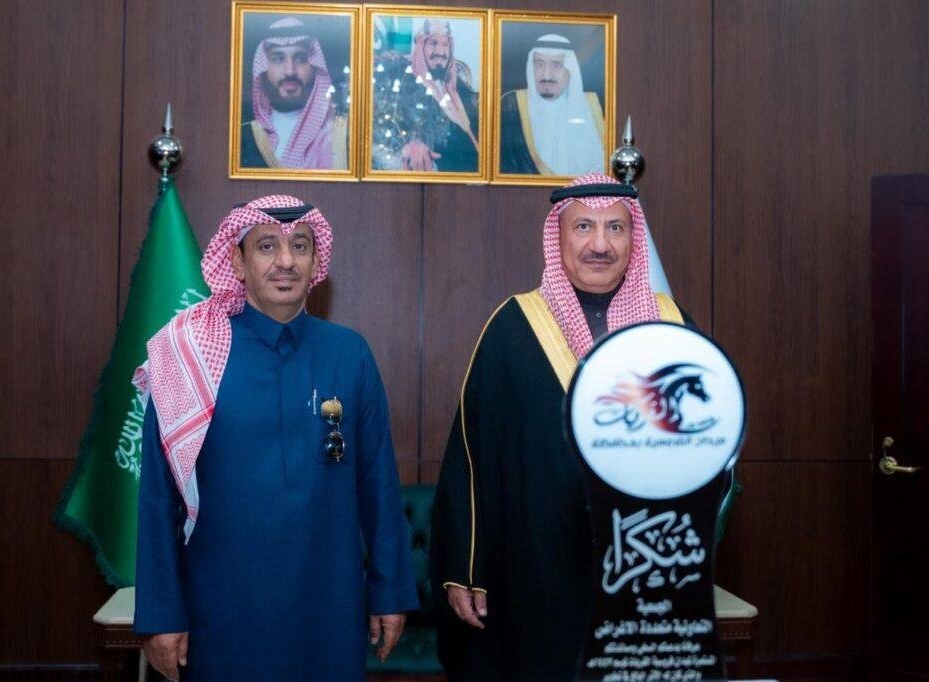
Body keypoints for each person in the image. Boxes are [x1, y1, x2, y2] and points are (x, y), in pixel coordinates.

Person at [429, 174, 734, 680]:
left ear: (633, 239)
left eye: (615, 228)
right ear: (559, 237)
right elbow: (470, 454)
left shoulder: (670, 326)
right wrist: (465, 568)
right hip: (535, 565)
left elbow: (709, 443)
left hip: (641, 565)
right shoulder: (513, 326)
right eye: (584, 227)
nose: (600, 244)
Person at [133, 195, 418, 681]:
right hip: (222, 613)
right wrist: (161, 614)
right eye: (267, 246)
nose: (286, 261)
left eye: (300, 246)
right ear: (237, 263)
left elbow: (380, 488)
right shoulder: (189, 358)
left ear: (315, 261)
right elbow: (159, 498)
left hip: (329, 611)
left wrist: (390, 592)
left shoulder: (349, 354)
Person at [371, 19, 480, 172]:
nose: (440, 52)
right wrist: (407, 145)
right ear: (421, 46)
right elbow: (381, 124)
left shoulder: (460, 90)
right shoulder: (404, 80)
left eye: (445, 44)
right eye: (433, 43)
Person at [240, 17, 347, 170]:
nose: (290, 71)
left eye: (301, 59)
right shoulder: (243, 137)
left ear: (315, 68)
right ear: (263, 68)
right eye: (277, 59)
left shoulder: (341, 136)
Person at [499, 34, 605, 176]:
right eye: (539, 64)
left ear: (570, 70)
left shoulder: (594, 107)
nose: (546, 75)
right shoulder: (511, 105)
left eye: (556, 65)